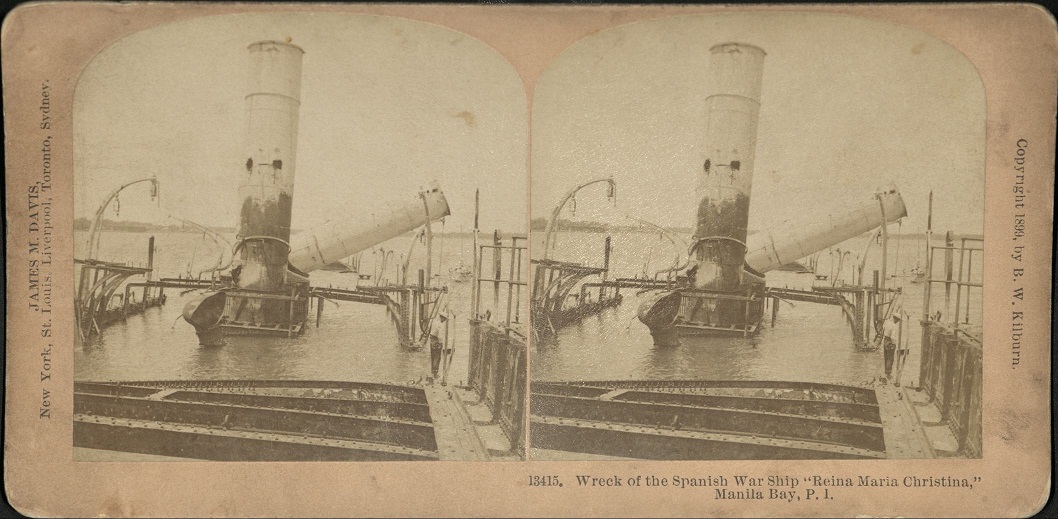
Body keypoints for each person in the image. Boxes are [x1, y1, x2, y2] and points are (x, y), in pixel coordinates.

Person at [881, 312, 901, 380]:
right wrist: (894, 344)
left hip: (885, 340)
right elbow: (893, 337)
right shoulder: (894, 326)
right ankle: (888, 374)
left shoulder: (887, 322)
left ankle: (886, 372)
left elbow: (883, 329)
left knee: (886, 357)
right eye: (898, 320)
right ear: (895, 319)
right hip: (890, 341)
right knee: (890, 358)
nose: (898, 321)